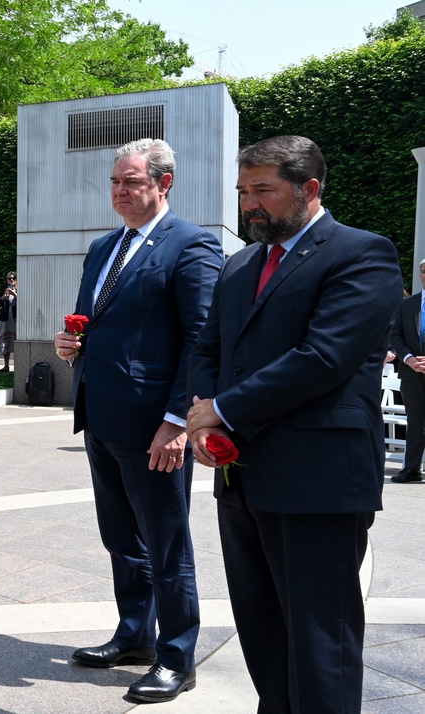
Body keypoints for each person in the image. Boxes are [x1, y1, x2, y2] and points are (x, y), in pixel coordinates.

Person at [186, 135, 403, 713]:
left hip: (320, 481)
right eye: (242, 192)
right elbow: (209, 350)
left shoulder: (362, 253)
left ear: (309, 189)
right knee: (262, 632)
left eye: (263, 190)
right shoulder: (239, 264)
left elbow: (323, 359)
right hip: (242, 481)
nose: (249, 205)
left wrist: (224, 410)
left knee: (320, 640)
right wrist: (204, 416)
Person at [53, 138, 222, 704]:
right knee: (121, 536)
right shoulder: (104, 247)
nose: (120, 191)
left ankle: (177, 656)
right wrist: (72, 343)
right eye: (115, 182)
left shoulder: (192, 246)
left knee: (166, 542)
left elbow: (203, 341)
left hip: (156, 424)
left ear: (163, 184)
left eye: (132, 181)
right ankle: (135, 637)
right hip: (101, 416)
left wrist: (178, 421)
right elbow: (96, 322)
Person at [389, 259, 425, 483]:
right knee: (415, 423)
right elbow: (395, 335)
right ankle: (412, 469)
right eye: (424, 271)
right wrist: (411, 359)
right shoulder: (407, 305)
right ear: (420, 274)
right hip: (411, 373)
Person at [0, 271, 17, 371]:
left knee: (16, 341)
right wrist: (4, 297)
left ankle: (18, 366)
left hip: (15, 319)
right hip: (5, 318)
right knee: (5, 341)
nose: (11, 280)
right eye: (9, 279)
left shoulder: (19, 290)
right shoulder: (4, 291)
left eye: (13, 278)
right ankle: (6, 366)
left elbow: (25, 302)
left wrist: (14, 294)